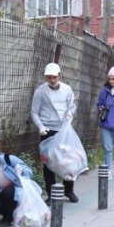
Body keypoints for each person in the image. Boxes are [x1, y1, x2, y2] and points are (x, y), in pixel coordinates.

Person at [30, 62, 78, 203]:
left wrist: (70, 114)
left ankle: (69, 190)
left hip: (63, 129)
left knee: (67, 161)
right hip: (47, 131)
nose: (51, 80)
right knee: (48, 163)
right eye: (49, 77)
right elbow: (34, 111)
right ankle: (51, 194)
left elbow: (71, 105)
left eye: (54, 77)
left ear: (59, 76)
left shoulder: (67, 89)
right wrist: (40, 126)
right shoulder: (41, 91)